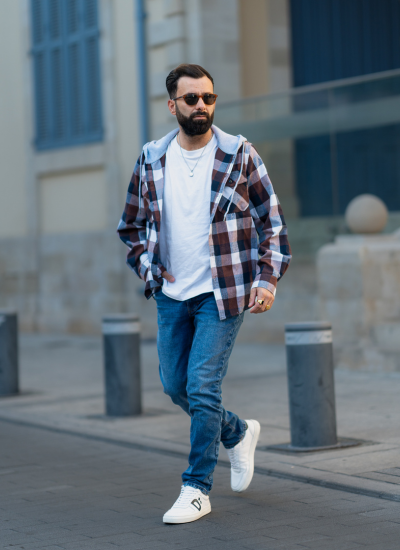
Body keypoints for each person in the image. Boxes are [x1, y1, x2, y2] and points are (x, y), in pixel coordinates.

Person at [118, 64, 291, 524]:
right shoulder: (152, 158)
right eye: (191, 98)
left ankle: (196, 488)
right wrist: (149, 270)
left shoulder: (239, 154)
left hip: (223, 292)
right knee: (176, 386)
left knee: (201, 385)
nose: (201, 106)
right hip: (171, 293)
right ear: (172, 104)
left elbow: (272, 223)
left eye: (208, 98)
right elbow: (131, 226)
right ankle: (236, 432)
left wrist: (267, 279)